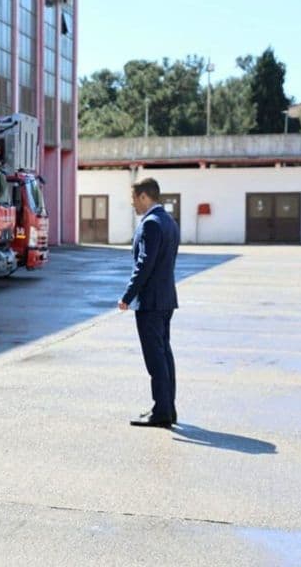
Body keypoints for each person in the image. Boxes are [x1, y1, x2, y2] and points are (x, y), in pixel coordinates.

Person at [118, 177, 180, 428]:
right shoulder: (168, 222)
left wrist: (127, 296)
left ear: (145, 197)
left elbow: (145, 264)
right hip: (165, 299)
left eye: (134, 199)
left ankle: (161, 411)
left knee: (155, 358)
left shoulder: (151, 224)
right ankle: (167, 407)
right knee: (164, 354)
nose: (133, 204)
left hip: (151, 302)